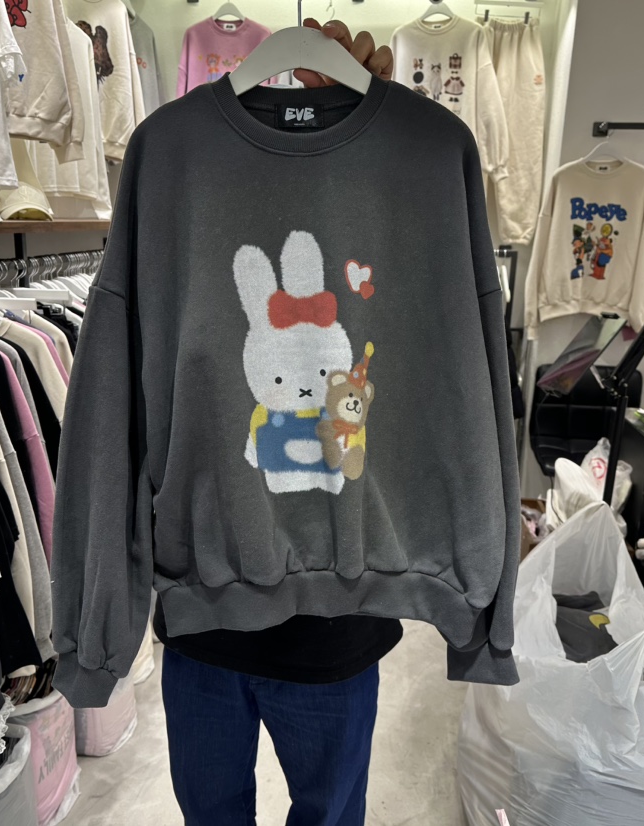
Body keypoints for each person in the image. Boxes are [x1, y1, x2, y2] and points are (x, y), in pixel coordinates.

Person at [157, 19, 398, 826]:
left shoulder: (399, 173)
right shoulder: (177, 162)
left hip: (334, 621)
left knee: (324, 812)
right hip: (206, 610)